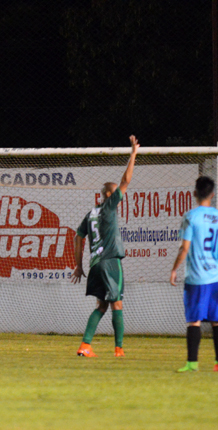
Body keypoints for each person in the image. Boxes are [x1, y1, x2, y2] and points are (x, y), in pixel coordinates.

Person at [71, 135, 138, 358]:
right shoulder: (110, 206)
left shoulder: (89, 215)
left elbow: (78, 237)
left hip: (95, 264)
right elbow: (126, 180)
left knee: (101, 306)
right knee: (117, 304)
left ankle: (85, 345)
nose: (121, 195)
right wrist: (133, 154)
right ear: (110, 195)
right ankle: (119, 349)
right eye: (117, 192)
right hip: (110, 262)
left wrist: (78, 266)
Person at [170, 176, 218, 372]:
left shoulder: (191, 216)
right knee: (217, 320)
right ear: (212, 195)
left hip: (197, 278)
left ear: (194, 193)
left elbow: (184, 248)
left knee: (194, 320)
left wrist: (174, 269)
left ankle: (192, 363)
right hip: (217, 277)